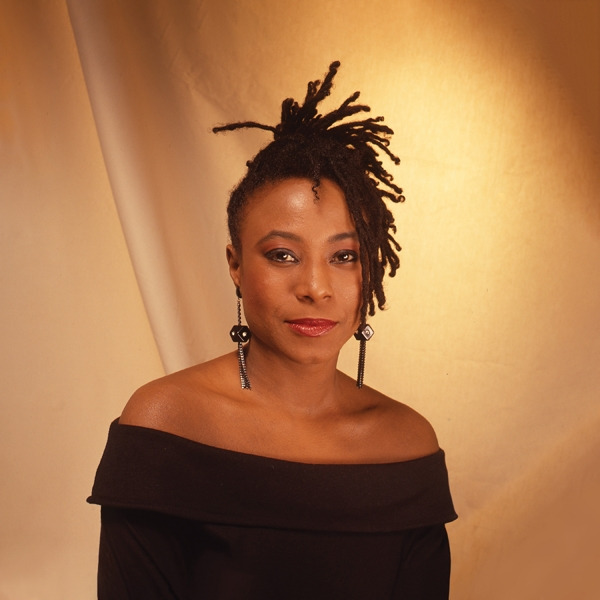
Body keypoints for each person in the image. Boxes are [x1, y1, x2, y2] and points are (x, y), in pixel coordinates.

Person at [88, 61, 456, 599]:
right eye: (283, 254)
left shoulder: (407, 446)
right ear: (236, 265)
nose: (315, 287)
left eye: (344, 256)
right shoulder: (165, 423)